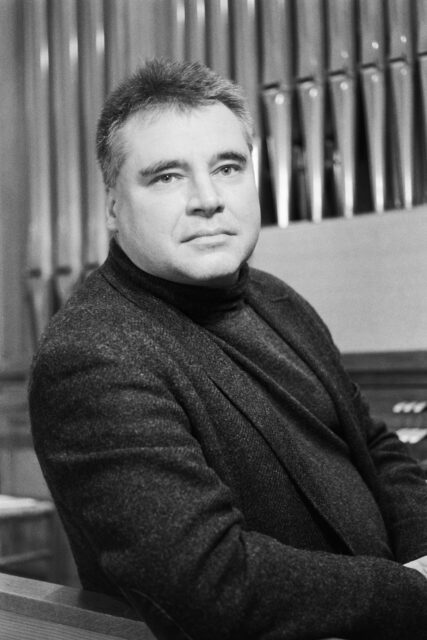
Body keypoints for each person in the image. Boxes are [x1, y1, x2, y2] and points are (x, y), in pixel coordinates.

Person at [29, 58, 427, 640]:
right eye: (167, 176)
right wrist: (411, 592)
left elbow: (374, 446)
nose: (207, 198)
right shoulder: (93, 356)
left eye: (228, 166)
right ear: (114, 207)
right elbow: (211, 582)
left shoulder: (276, 298)